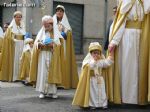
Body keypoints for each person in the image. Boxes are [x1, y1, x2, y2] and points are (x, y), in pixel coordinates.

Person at [108, 0, 150, 105]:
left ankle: (139, 98)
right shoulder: (126, 2)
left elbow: (147, 10)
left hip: (142, 37)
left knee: (139, 68)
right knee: (127, 67)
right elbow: (121, 22)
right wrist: (114, 41)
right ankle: (126, 97)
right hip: (127, 38)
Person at [72, 42, 114, 109]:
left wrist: (111, 55)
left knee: (102, 92)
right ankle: (93, 105)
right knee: (93, 93)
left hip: (100, 79)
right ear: (91, 54)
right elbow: (90, 66)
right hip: (92, 80)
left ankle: (103, 104)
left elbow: (107, 63)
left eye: (98, 53)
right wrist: (94, 60)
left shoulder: (101, 61)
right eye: (94, 53)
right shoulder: (88, 61)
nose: (96, 55)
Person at [29, 15, 62, 98]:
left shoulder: (56, 34)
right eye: (45, 26)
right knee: (42, 72)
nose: (46, 27)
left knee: (52, 72)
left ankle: (52, 91)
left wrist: (53, 45)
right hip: (42, 55)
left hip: (52, 56)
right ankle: (42, 91)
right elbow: (36, 43)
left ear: (52, 25)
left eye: (48, 26)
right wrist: (38, 44)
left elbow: (59, 46)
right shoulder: (41, 33)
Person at [53, 5, 78, 89]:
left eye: (61, 11)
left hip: (63, 46)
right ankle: (54, 82)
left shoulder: (65, 24)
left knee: (62, 62)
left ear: (63, 13)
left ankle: (62, 82)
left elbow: (69, 33)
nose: (59, 12)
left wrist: (65, 33)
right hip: (54, 45)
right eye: (57, 11)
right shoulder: (52, 22)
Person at [0, 11, 25, 81]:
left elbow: (24, 35)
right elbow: (8, 37)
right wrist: (14, 40)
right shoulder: (10, 27)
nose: (19, 18)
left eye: (20, 17)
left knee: (20, 59)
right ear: (14, 18)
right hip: (14, 46)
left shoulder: (22, 26)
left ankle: (20, 76)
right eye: (17, 17)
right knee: (15, 60)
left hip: (21, 44)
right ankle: (14, 77)